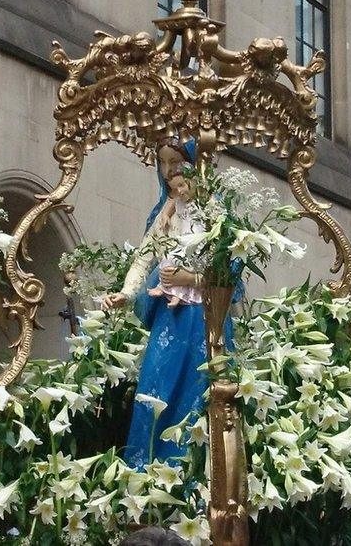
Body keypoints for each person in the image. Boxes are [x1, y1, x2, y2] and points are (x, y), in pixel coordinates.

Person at [102, 138, 232, 468]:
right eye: (163, 162)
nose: (170, 168)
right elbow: (145, 256)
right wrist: (128, 292)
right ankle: (146, 473)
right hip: (169, 318)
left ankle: (191, 477)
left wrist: (191, 279)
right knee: (154, 388)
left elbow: (229, 266)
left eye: (176, 160)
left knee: (197, 391)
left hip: (203, 316)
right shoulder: (166, 212)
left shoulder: (214, 208)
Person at [144, 165, 204, 307]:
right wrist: (165, 215)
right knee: (169, 258)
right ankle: (167, 289)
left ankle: (178, 294)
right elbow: (170, 203)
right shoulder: (179, 200)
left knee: (185, 264)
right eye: (175, 188)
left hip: (196, 240)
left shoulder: (202, 201)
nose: (180, 191)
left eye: (182, 185)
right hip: (184, 239)